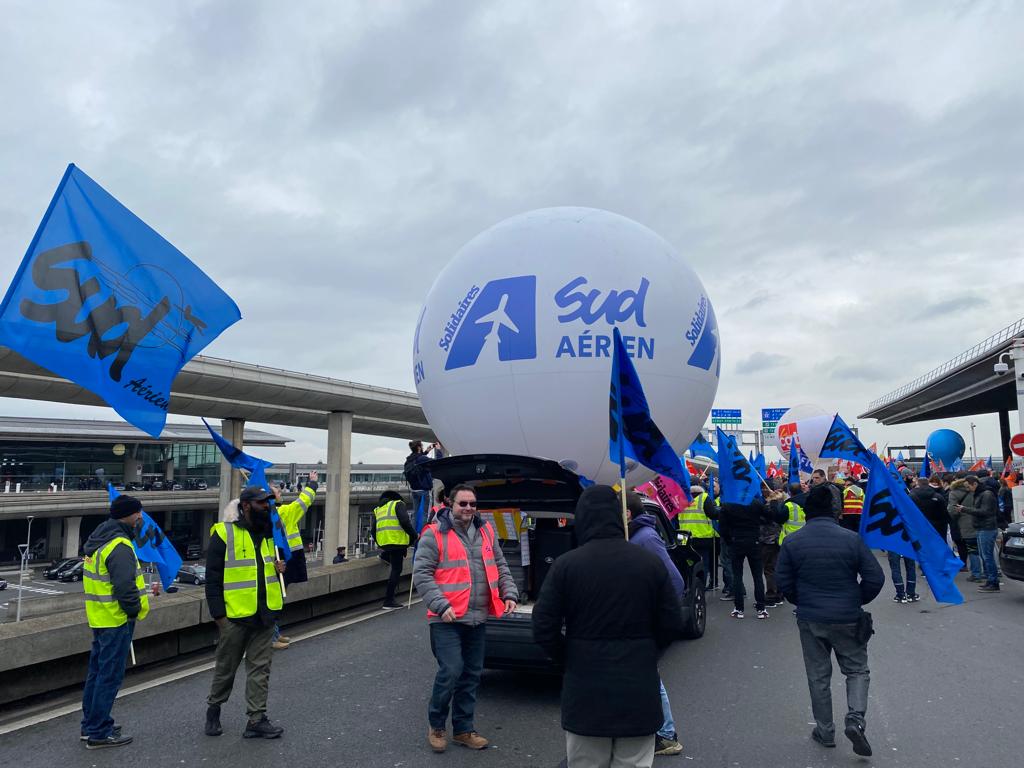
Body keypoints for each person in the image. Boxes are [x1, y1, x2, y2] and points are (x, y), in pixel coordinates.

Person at [533, 486, 685, 768]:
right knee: (633, 762)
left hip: (585, 688)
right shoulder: (649, 563)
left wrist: (568, 657)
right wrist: (649, 652)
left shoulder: (566, 565)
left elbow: (543, 626)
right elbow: (672, 621)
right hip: (638, 686)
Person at [776, 484, 884, 757]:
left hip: (811, 617)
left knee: (818, 676)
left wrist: (802, 601)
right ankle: (855, 719)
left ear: (807, 512)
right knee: (857, 670)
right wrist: (856, 599)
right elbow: (875, 578)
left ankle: (825, 731)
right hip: (848, 616)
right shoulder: (851, 539)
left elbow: (783, 582)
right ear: (835, 511)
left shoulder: (793, 541)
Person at [413, 483, 519, 753]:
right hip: (446, 619)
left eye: (473, 503)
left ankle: (463, 730)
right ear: (450, 504)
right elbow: (422, 574)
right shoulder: (434, 534)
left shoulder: (486, 531)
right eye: (463, 503)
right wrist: (440, 605)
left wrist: (509, 592)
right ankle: (437, 726)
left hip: (476, 617)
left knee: (471, 675)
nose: (469, 508)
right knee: (451, 671)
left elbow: (499, 565)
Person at [204, 485, 287, 739]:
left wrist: (279, 568)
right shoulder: (223, 533)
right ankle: (214, 709)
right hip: (234, 617)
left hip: (265, 614)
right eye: (262, 503)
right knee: (226, 669)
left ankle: (256, 719)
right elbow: (212, 579)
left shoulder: (269, 533)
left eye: (268, 502)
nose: (267, 506)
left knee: (260, 670)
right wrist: (220, 617)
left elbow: (264, 569)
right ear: (247, 505)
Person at [80, 495, 156, 749]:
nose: (141, 517)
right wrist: (134, 610)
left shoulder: (99, 539)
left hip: (99, 617)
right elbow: (125, 587)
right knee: (109, 677)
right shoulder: (119, 545)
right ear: (128, 515)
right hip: (116, 619)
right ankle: (99, 732)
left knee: (96, 674)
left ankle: (90, 724)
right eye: (138, 512)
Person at [625, 493, 684, 757]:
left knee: (650, 678)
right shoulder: (635, 537)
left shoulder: (646, 539)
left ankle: (667, 735)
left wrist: (652, 613)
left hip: (643, 622)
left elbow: (674, 582)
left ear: (627, 513)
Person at [718, 495, 785, 619]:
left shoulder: (728, 504)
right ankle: (761, 608)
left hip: (736, 541)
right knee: (757, 576)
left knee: (737, 576)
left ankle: (739, 608)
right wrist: (773, 502)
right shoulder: (755, 503)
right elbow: (770, 517)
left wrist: (729, 541)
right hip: (754, 541)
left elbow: (722, 527)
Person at [272, 476, 318, 649]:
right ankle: (271, 636)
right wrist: (312, 483)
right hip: (286, 558)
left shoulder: (270, 514)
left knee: (277, 596)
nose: (280, 491)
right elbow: (304, 500)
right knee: (275, 598)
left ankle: (275, 632)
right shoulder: (284, 511)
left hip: (278, 557)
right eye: (277, 491)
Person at [369, 490, 418, 609]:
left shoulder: (379, 509)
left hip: (385, 543)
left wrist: (380, 543)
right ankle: (388, 601)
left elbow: (373, 530)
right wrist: (414, 536)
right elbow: (405, 522)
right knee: (396, 570)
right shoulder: (398, 504)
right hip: (397, 542)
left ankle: (384, 556)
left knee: (390, 554)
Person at [675, 483, 718, 590]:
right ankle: (699, 589)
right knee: (702, 565)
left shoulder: (680, 497)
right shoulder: (704, 497)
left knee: (686, 564)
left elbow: (675, 517)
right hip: (702, 537)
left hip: (683, 537)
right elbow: (713, 514)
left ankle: (687, 587)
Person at [961, 475, 1000, 592]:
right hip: (982, 527)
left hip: (987, 528)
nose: (968, 489)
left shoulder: (986, 494)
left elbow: (985, 511)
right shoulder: (981, 493)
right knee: (985, 556)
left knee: (987, 556)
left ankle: (993, 582)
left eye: (968, 487)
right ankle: (990, 580)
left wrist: (965, 509)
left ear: (975, 484)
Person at [948, 478, 983, 581]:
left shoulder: (954, 493)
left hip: (965, 524)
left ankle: (976, 574)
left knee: (972, 549)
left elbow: (952, 510)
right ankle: (987, 572)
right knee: (983, 549)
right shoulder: (979, 491)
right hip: (980, 522)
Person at [761, 490, 789, 607]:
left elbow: (763, 520)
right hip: (780, 539)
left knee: (769, 569)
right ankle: (779, 594)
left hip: (768, 540)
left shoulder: (768, 508)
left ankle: (771, 595)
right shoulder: (784, 507)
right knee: (777, 567)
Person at [910, 477, 949, 544]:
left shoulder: (911, 496)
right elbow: (944, 512)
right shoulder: (938, 496)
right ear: (928, 484)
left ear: (917, 484)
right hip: (937, 526)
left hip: (919, 526)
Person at [404, 440, 437, 515]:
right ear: (419, 447)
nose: (422, 447)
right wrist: (438, 450)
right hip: (424, 490)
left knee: (416, 513)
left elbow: (419, 458)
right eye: (422, 446)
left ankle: (415, 523)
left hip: (414, 490)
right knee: (426, 513)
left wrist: (427, 451)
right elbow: (437, 462)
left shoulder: (409, 459)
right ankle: (425, 524)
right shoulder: (422, 458)